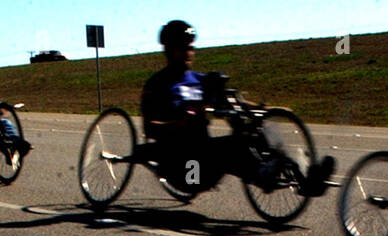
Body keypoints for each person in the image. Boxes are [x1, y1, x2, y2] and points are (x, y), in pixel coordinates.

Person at [140, 20, 332, 196]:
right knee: (235, 146)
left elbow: (228, 101)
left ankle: (306, 181)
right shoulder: (157, 85)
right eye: (182, 48)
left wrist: (264, 110)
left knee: (259, 132)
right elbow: (150, 129)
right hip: (185, 170)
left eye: (191, 47)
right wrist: (179, 123)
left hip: (205, 160)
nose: (189, 53)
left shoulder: (200, 80)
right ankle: (264, 174)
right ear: (169, 49)